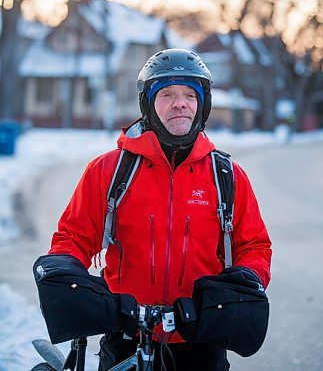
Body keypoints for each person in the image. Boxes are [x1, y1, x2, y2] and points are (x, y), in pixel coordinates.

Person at [33, 48, 272, 371]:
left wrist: (240, 283)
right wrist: (69, 276)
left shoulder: (226, 176)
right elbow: (72, 237)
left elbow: (254, 246)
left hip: (200, 335)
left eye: (190, 94)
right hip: (125, 331)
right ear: (148, 103)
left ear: (203, 104)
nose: (180, 103)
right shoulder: (109, 170)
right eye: (167, 93)